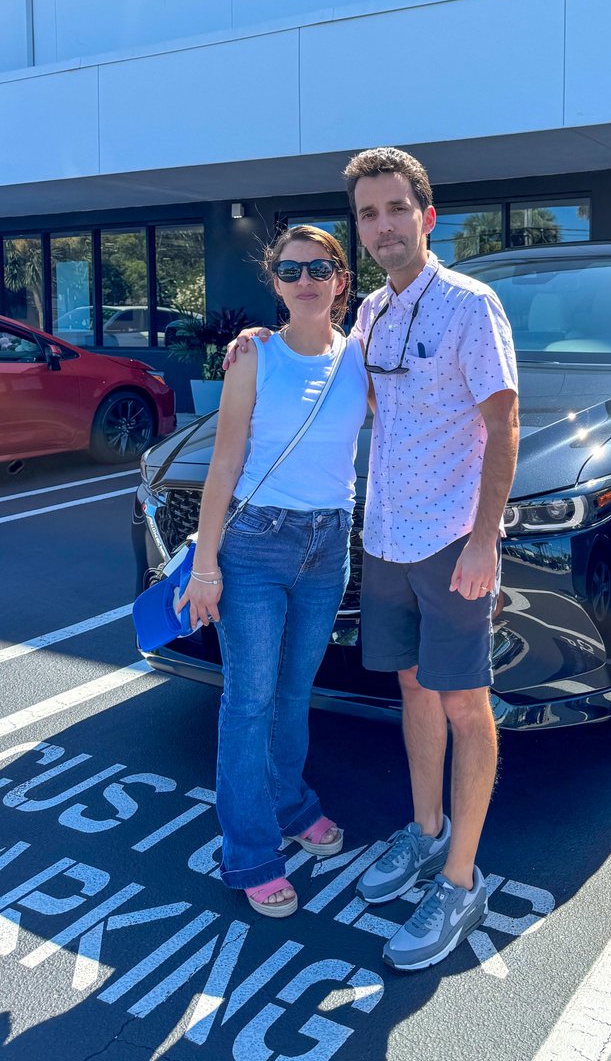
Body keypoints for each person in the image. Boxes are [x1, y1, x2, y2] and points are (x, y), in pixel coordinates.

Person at [228, 146, 520, 970]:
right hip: (384, 540)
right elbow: (317, 369)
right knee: (414, 693)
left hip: (449, 543)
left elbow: (504, 423)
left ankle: (461, 880)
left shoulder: (471, 304)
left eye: (397, 209)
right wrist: (259, 338)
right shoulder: (374, 319)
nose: (383, 225)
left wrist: (485, 537)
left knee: (466, 704)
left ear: (427, 218)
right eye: (368, 214)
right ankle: (426, 833)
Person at [177, 225, 369, 918]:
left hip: (329, 542)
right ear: (277, 283)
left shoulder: (362, 356)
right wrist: (205, 567)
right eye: (292, 271)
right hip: (256, 545)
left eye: (321, 268)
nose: (307, 279)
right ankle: (250, 852)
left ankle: (291, 804)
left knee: (293, 692)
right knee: (248, 700)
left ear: (342, 279)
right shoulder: (255, 356)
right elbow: (223, 462)